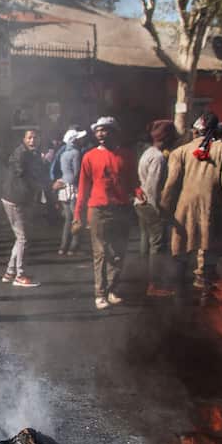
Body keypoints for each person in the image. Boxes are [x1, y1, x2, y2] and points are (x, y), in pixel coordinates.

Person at [160, 111, 222, 298]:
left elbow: (171, 184)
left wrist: (164, 208)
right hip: (213, 206)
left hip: (184, 208)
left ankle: (181, 294)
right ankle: (205, 290)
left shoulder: (179, 152)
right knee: (208, 249)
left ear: (195, 131)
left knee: (183, 250)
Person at [75, 117, 137, 310]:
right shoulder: (89, 156)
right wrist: (78, 214)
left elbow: (133, 182)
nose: (101, 134)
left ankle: (112, 289)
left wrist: (139, 194)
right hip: (98, 209)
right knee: (100, 253)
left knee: (118, 253)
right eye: (98, 131)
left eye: (105, 130)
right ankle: (100, 293)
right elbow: (83, 188)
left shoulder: (127, 155)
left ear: (114, 132)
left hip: (121, 208)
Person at [136, 120, 179, 296]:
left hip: (141, 204)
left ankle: (144, 277)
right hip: (150, 205)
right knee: (158, 245)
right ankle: (155, 284)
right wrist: (159, 210)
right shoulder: (158, 158)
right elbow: (153, 187)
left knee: (146, 242)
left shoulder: (148, 152)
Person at [0, 129, 44, 288]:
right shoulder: (22, 154)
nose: (33, 140)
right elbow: (21, 172)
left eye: (35, 137)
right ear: (24, 139)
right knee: (23, 238)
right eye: (30, 137)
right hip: (15, 199)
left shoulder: (30, 154)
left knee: (20, 237)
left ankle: (10, 272)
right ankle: (20, 275)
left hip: (17, 198)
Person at [55, 129, 87, 256]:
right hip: (73, 187)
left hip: (63, 187)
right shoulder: (76, 153)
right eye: (79, 138)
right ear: (75, 140)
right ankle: (74, 246)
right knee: (76, 218)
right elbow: (77, 172)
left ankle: (63, 247)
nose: (82, 140)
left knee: (68, 219)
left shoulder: (63, 153)